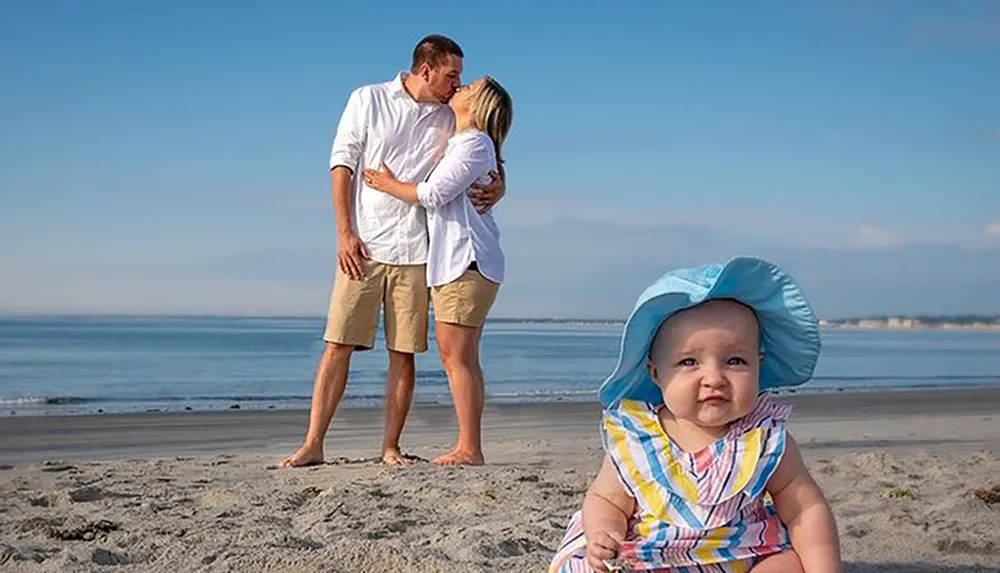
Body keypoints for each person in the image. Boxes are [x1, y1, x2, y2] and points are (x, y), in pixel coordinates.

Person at [279, 35, 505, 469]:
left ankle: (390, 448)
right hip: (364, 246)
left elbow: (482, 146)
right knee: (338, 343)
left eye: (460, 78)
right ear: (426, 70)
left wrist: (502, 182)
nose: (457, 85)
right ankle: (313, 443)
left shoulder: (449, 114)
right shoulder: (368, 99)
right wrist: (344, 232)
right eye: (451, 75)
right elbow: (341, 164)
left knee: (403, 353)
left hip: (420, 251)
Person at [548, 257, 843, 572]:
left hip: (741, 556)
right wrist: (604, 532)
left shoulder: (764, 439)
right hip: (654, 558)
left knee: (787, 564)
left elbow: (804, 510)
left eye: (735, 361)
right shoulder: (638, 439)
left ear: (759, 365)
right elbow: (606, 499)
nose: (714, 377)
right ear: (655, 373)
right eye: (689, 362)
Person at [363, 75, 514, 465]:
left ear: (478, 105)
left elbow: (433, 194)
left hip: (466, 261)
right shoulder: (467, 143)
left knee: (455, 358)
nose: (460, 88)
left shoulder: (473, 143)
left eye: (469, 88)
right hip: (464, 262)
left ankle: (469, 448)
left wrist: (387, 184)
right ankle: (470, 444)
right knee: (463, 357)